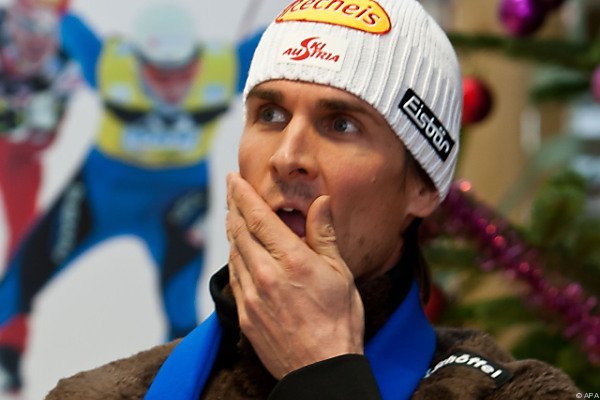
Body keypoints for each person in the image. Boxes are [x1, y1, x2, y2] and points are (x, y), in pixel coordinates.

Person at [46, 0, 580, 398]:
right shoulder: (100, 394)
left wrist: (325, 373)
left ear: (422, 187)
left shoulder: (516, 393)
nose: (287, 156)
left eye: (340, 123)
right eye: (270, 115)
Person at [0, 2, 261, 394]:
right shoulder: (111, 63)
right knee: (22, 276)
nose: (171, 87)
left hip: (175, 202)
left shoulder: (223, 67)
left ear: (197, 58)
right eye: (158, 73)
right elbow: (67, 21)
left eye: (183, 72)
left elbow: (280, 32)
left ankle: (188, 391)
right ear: (138, 60)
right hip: (101, 194)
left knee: (182, 309)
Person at [0, 0, 78, 392]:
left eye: (44, 34)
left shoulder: (65, 61)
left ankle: (8, 352)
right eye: (26, 30)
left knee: (25, 244)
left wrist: (25, 122)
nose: (34, 43)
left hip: (17, 159)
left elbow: (45, 136)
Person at [0, 0, 77, 263]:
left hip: (18, 157)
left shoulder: (69, 56)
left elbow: (47, 134)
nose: (37, 38)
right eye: (28, 25)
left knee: (26, 237)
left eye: (47, 28)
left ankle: (13, 289)